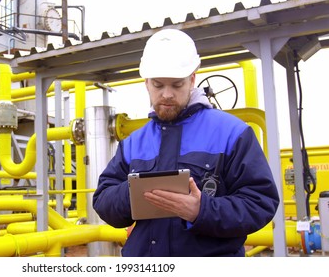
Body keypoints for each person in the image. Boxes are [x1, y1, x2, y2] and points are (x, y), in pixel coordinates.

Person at [92, 28, 280, 257]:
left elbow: (260, 203)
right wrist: (133, 193)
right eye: (159, 85)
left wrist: (201, 211)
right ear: (146, 83)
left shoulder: (232, 133)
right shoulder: (133, 143)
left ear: (192, 79)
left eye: (177, 84)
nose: (167, 94)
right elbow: (103, 200)